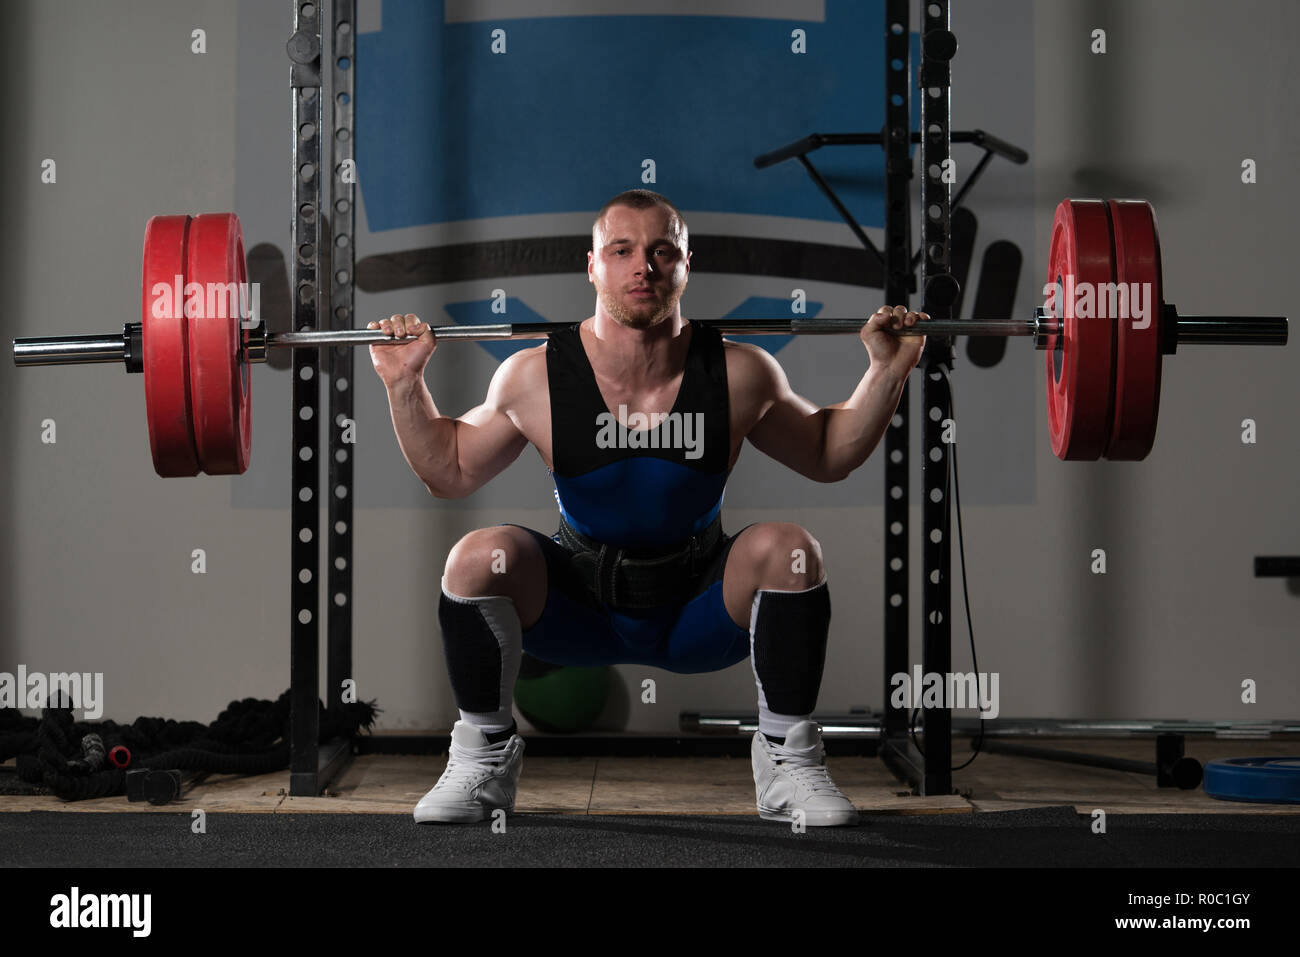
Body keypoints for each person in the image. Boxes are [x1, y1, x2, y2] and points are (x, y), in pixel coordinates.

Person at [368, 189, 927, 826]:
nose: (644, 267)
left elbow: (829, 453)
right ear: (593, 266)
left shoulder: (742, 373)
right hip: (580, 606)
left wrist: (888, 370)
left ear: (687, 265)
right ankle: (481, 762)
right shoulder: (535, 376)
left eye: (663, 251)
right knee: (476, 558)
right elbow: (451, 469)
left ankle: (787, 764)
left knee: (792, 550)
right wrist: (404, 382)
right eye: (623, 250)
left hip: (696, 610)